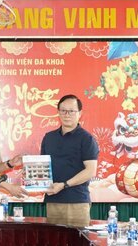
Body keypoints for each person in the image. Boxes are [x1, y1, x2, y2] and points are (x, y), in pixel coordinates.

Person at [40, 94, 100, 228]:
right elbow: (42, 167)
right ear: (58, 112)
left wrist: (64, 185)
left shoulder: (87, 139)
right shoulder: (49, 137)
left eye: (71, 111)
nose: (67, 115)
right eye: (63, 111)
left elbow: (90, 171)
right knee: (53, 240)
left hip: (77, 202)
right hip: (53, 200)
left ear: (80, 113)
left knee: (77, 240)